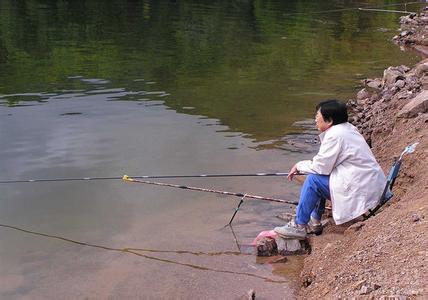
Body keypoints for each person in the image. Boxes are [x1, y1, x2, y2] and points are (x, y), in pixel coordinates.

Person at [275, 99, 386, 239]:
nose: (315, 119)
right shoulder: (347, 128)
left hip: (361, 188)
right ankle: (315, 219)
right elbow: (325, 165)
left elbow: (320, 167)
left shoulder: (335, 135)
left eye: (317, 116)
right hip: (369, 184)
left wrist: (299, 165)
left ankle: (298, 225)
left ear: (329, 121)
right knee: (318, 178)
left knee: (313, 181)